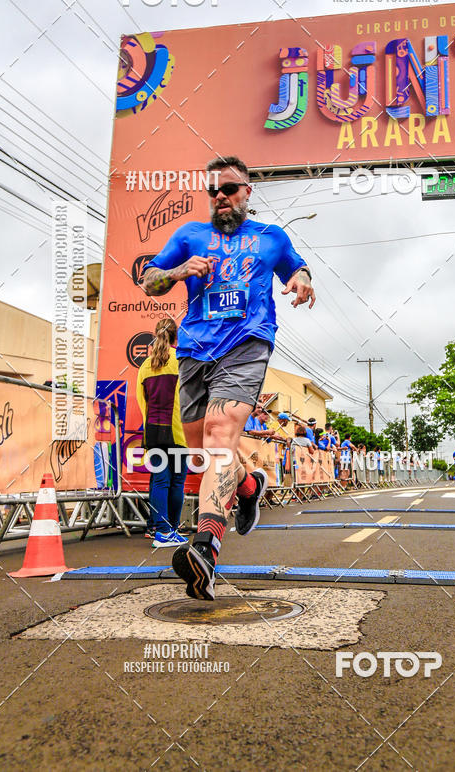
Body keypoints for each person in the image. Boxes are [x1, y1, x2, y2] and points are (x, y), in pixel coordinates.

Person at [142, 155, 315, 599]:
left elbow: (297, 265)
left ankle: (206, 547)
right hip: (195, 349)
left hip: (247, 343)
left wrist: (301, 280)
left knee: (220, 438)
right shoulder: (190, 235)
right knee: (205, 451)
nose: (220, 197)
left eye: (230, 189)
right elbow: (149, 279)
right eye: (213, 191)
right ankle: (249, 483)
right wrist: (180, 270)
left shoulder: (269, 237)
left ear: (246, 193)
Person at [135, 317, 188, 548]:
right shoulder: (182, 360)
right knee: (176, 482)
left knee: (159, 481)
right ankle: (171, 530)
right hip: (178, 431)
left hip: (154, 432)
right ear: (176, 337)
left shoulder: (145, 366)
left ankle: (161, 531)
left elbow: (141, 401)